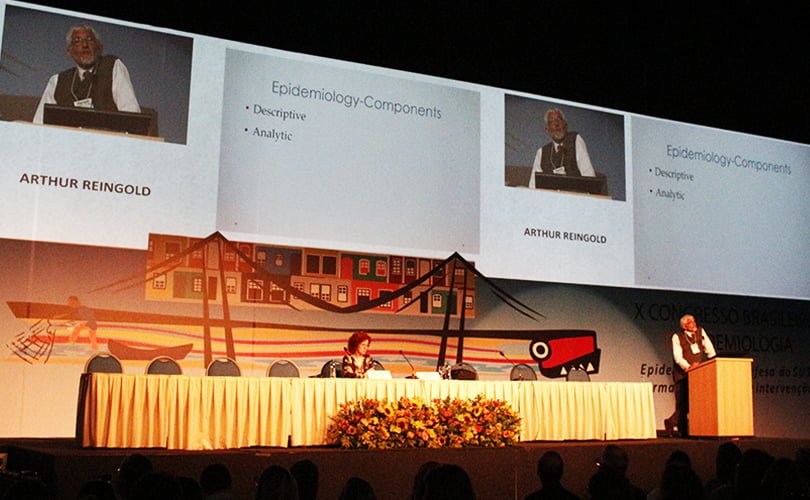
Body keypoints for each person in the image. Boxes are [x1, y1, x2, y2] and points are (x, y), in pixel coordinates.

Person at [33, 25, 140, 124]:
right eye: (77, 41)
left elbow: (130, 112)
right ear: (69, 52)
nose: (84, 45)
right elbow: (39, 122)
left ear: (100, 47)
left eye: (89, 39)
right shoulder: (57, 81)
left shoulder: (112, 66)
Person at [664, 314, 716, 437]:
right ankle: (678, 428)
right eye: (689, 322)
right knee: (682, 403)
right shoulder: (677, 337)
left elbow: (710, 350)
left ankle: (674, 424)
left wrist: (714, 361)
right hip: (682, 374)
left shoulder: (700, 332)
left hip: (698, 374)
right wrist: (688, 367)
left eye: (693, 320)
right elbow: (677, 357)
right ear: (684, 326)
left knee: (694, 403)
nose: (693, 323)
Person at [528, 108, 596, 188]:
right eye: (551, 122)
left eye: (559, 120)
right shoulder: (541, 152)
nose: (556, 124)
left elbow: (589, 175)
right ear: (547, 130)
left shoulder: (575, 140)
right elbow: (533, 185)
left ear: (565, 125)